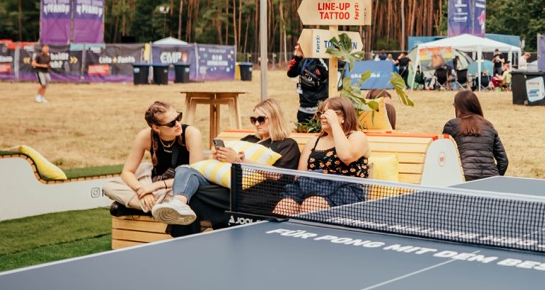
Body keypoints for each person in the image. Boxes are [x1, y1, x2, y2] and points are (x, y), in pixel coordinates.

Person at [152, 98, 301, 229]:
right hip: (229, 186)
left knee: (195, 196)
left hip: (258, 194)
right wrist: (218, 157)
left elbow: (279, 175)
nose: (256, 124)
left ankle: (184, 238)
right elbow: (226, 167)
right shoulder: (248, 140)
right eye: (253, 119)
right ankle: (178, 203)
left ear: (275, 118)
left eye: (261, 119)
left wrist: (238, 160)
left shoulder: (287, 144)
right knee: (184, 169)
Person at [104, 101, 206, 215]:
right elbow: (127, 172)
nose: (178, 124)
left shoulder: (191, 133)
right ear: (156, 127)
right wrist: (142, 191)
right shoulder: (145, 136)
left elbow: (195, 175)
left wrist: (154, 187)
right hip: (154, 185)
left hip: (177, 188)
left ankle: (142, 207)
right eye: (171, 123)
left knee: (189, 196)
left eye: (178, 117)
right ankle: (157, 208)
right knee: (109, 186)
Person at [274, 97, 370, 215]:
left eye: (329, 114)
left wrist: (334, 124)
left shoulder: (357, 136)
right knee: (285, 206)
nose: (323, 117)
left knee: (312, 204)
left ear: (344, 117)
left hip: (345, 190)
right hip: (312, 187)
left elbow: (346, 156)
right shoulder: (314, 141)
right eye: (322, 113)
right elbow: (300, 175)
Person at [442, 89, 509, 181]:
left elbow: (443, 155)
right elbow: (503, 160)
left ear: (458, 107)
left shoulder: (452, 125)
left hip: (464, 178)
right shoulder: (488, 126)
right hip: (490, 179)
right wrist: (495, 178)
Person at [287, 42, 330, 125]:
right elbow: (290, 73)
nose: (296, 47)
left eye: (299, 45)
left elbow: (326, 74)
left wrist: (316, 55)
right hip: (304, 108)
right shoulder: (302, 59)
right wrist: (297, 58)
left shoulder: (323, 58)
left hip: (320, 108)